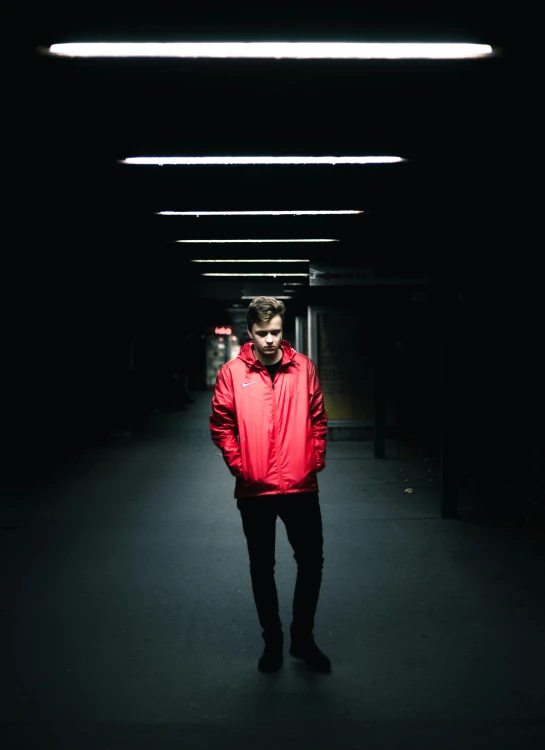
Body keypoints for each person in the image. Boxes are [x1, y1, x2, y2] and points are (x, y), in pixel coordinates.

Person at [210, 297, 331, 673]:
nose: (269, 340)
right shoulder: (232, 373)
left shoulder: (304, 368)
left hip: (301, 486)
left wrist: (314, 460)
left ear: (283, 330)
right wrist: (241, 466)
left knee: (311, 563)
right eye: (262, 333)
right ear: (250, 332)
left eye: (276, 332)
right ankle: (273, 642)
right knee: (262, 567)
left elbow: (318, 417)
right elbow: (221, 425)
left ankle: (302, 638)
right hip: (255, 489)